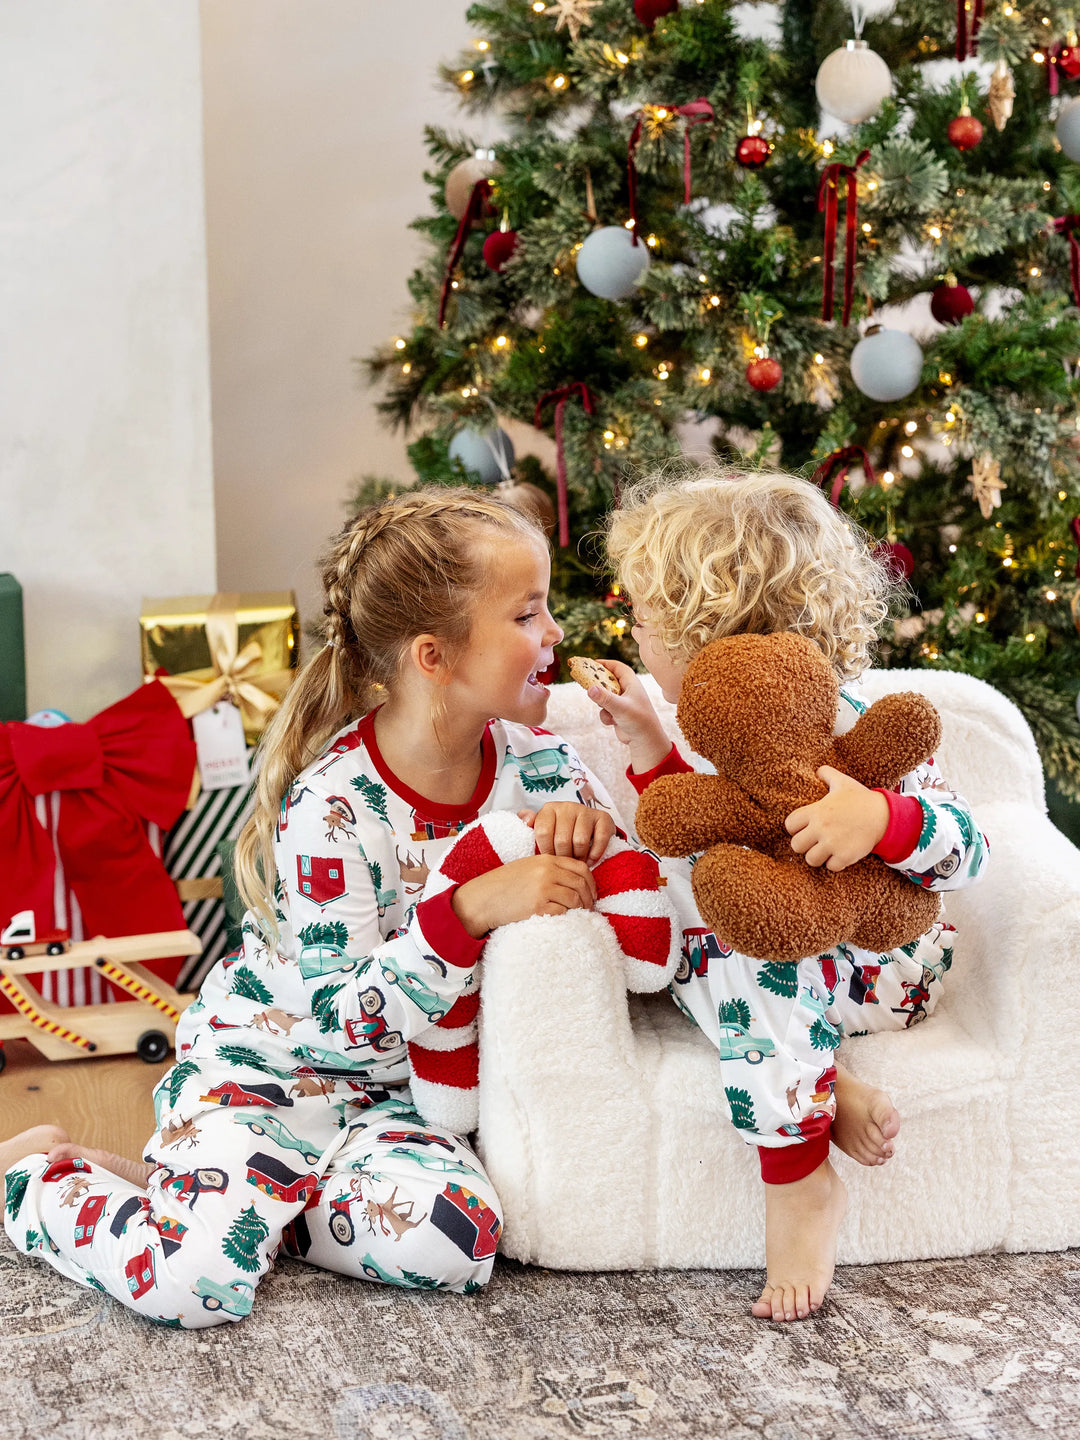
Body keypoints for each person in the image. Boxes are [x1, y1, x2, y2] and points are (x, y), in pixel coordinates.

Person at [0, 486, 618, 1327]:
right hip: (271, 1076)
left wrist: (595, 830)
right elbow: (334, 1017)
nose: (553, 634)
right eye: (526, 616)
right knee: (193, 1289)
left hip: (403, 1100)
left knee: (460, 1244)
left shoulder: (545, 770)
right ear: (431, 657)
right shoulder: (332, 804)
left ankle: (252, 1206)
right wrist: (464, 910)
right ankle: (40, 1184)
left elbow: (624, 905)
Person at [583, 470, 988, 1325]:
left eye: (648, 619)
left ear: (708, 628)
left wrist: (879, 817)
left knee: (746, 951)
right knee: (693, 905)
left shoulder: (851, 725)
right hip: (796, 952)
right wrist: (653, 741)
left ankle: (799, 1179)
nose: (635, 631)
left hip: (886, 963)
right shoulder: (718, 726)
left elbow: (967, 853)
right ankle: (823, 1087)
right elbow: (720, 825)